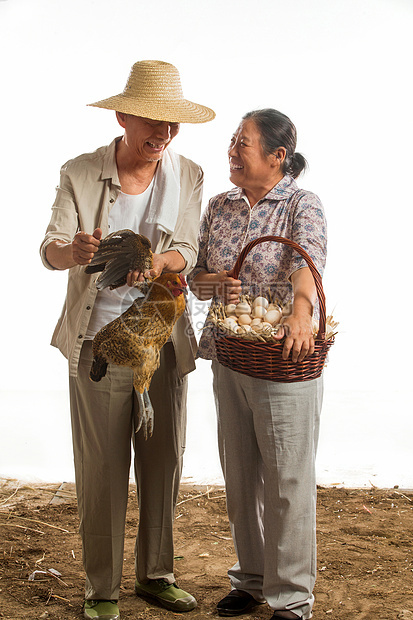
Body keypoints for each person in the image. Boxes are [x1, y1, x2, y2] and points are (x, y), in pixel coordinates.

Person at [40, 60, 215, 620]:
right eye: (153, 121)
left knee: (163, 461)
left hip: (160, 340)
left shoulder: (187, 173)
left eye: (172, 124)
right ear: (123, 115)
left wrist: (155, 263)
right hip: (99, 342)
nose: (163, 134)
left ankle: (156, 575)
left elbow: (187, 248)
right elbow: (51, 248)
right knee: (102, 470)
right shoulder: (80, 171)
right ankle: (102, 589)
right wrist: (77, 252)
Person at [188, 109, 327, 620]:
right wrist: (213, 283)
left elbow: (306, 263)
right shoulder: (219, 206)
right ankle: (250, 580)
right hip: (231, 352)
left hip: (281, 356)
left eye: (241, 142)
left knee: (287, 478)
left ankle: (291, 596)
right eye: (231, 140)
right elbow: (197, 278)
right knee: (241, 474)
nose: (231, 149)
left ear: (277, 156)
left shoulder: (300, 203)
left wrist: (302, 314)